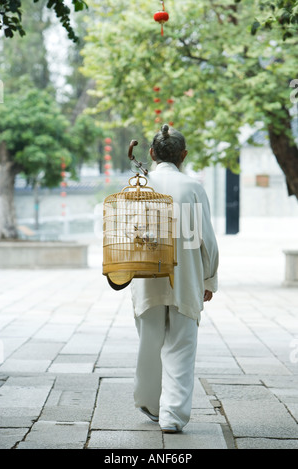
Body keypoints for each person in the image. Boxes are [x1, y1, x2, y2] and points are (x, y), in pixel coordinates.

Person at [130, 124, 219, 434]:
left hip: (146, 278)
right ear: (184, 155)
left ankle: (150, 403)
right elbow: (206, 238)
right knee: (181, 346)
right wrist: (208, 280)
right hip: (185, 277)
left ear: (152, 153)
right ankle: (172, 416)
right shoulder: (193, 187)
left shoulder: (140, 183)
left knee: (149, 344)